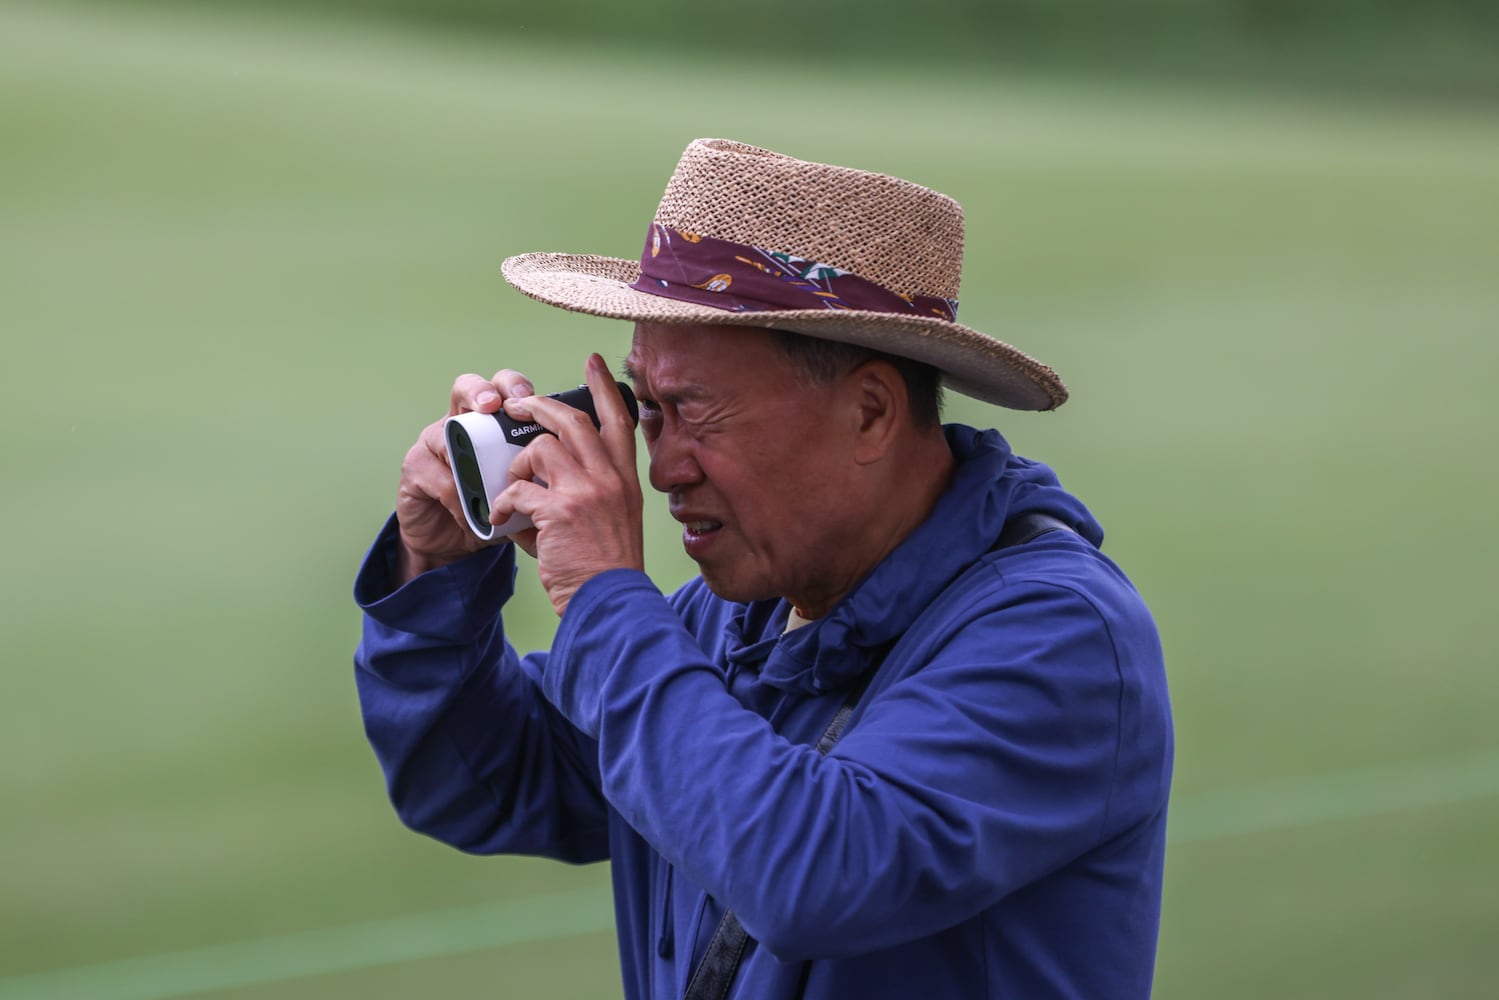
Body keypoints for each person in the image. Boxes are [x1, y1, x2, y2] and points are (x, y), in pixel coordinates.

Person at [354, 138, 1173, 999]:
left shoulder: (1058, 636)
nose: (661, 468)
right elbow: (481, 786)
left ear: (868, 413)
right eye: (646, 409)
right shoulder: (729, 617)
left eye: (696, 412)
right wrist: (436, 570)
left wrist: (599, 595)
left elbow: (816, 876)